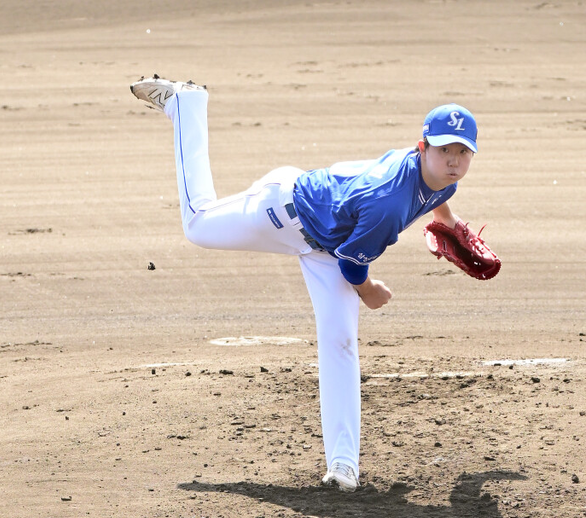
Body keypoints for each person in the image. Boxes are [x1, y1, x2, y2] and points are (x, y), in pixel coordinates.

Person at [130, 77, 481, 491]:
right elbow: (352, 265)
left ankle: (343, 466)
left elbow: (434, 193)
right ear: (422, 148)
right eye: (444, 150)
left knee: (340, 341)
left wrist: (450, 222)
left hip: (327, 243)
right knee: (197, 224)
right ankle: (186, 105)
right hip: (282, 211)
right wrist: (370, 291)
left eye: (462, 151)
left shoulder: (440, 176)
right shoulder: (388, 204)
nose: (453, 161)